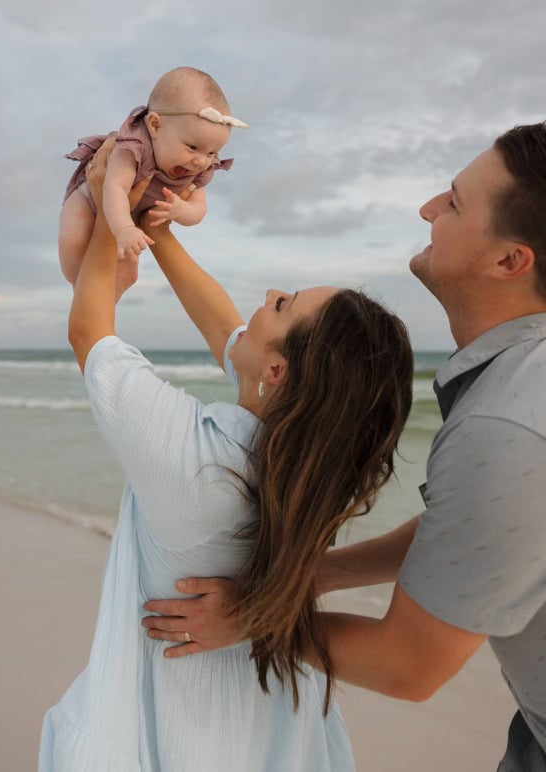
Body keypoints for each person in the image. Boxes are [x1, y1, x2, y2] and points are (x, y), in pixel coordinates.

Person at [142, 122, 546, 771]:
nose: (428, 209)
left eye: (454, 201)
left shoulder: (508, 424)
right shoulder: (517, 398)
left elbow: (408, 666)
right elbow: (482, 525)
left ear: (509, 261)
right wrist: (319, 573)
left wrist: (254, 619)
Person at [39, 139, 414, 771]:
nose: (267, 294)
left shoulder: (195, 459)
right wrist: (156, 232)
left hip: (183, 735)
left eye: (281, 304)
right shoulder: (307, 464)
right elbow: (224, 327)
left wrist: (113, 213)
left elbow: (90, 331)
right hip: (277, 726)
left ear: (277, 371)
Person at [58, 66, 247, 298]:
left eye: (211, 153)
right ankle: (79, 287)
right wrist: (125, 229)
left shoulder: (199, 169)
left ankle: (97, 308)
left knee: (127, 273)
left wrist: (181, 210)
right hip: (91, 201)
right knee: (75, 237)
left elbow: (199, 210)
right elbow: (115, 187)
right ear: (155, 126)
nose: (200, 161)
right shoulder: (133, 148)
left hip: (131, 218)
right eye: (192, 147)